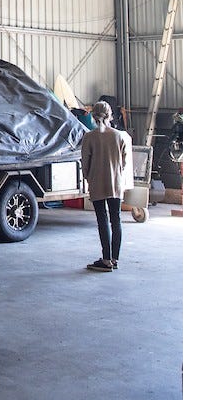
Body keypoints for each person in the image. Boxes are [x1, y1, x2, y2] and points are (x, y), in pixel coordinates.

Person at [79, 100, 131, 272]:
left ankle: (106, 259)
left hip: (97, 182)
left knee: (102, 220)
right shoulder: (119, 136)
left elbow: (85, 163)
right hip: (116, 183)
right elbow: (124, 162)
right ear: (110, 116)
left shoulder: (89, 137)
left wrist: (88, 177)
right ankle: (115, 259)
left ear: (93, 117)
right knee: (116, 220)